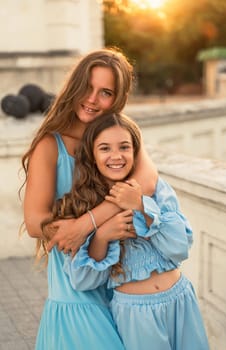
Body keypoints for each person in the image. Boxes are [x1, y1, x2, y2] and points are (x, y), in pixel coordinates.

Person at [21, 48, 157, 349]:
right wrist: (88, 229)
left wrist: (87, 223)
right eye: (88, 87)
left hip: (123, 290)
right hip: (76, 295)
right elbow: (34, 222)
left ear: (117, 100)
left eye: (105, 92)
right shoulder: (50, 145)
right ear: (75, 85)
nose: (92, 99)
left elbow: (146, 182)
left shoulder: (118, 138)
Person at [59, 113, 210, 350]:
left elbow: (179, 248)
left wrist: (140, 205)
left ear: (135, 152)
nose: (116, 156)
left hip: (181, 300)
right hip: (135, 313)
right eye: (105, 148)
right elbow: (83, 281)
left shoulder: (155, 189)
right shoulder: (84, 205)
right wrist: (102, 236)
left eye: (124, 147)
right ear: (92, 155)